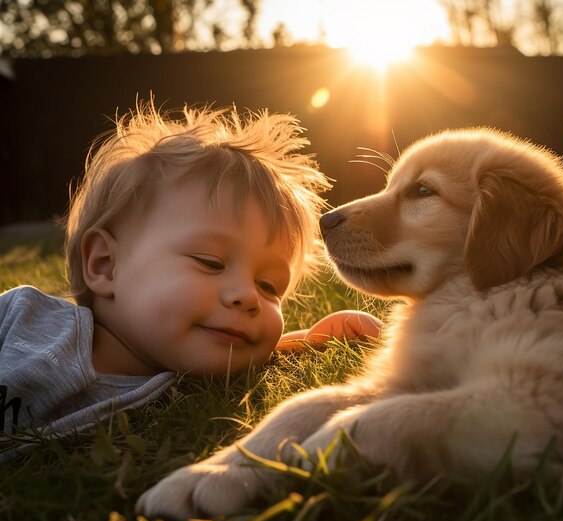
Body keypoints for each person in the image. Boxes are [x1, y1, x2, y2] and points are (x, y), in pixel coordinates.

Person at [0, 103, 381, 452]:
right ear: (104, 265)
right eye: (210, 262)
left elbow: (246, 352)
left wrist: (312, 339)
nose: (247, 297)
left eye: (269, 287)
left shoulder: (188, 381)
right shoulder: (24, 318)